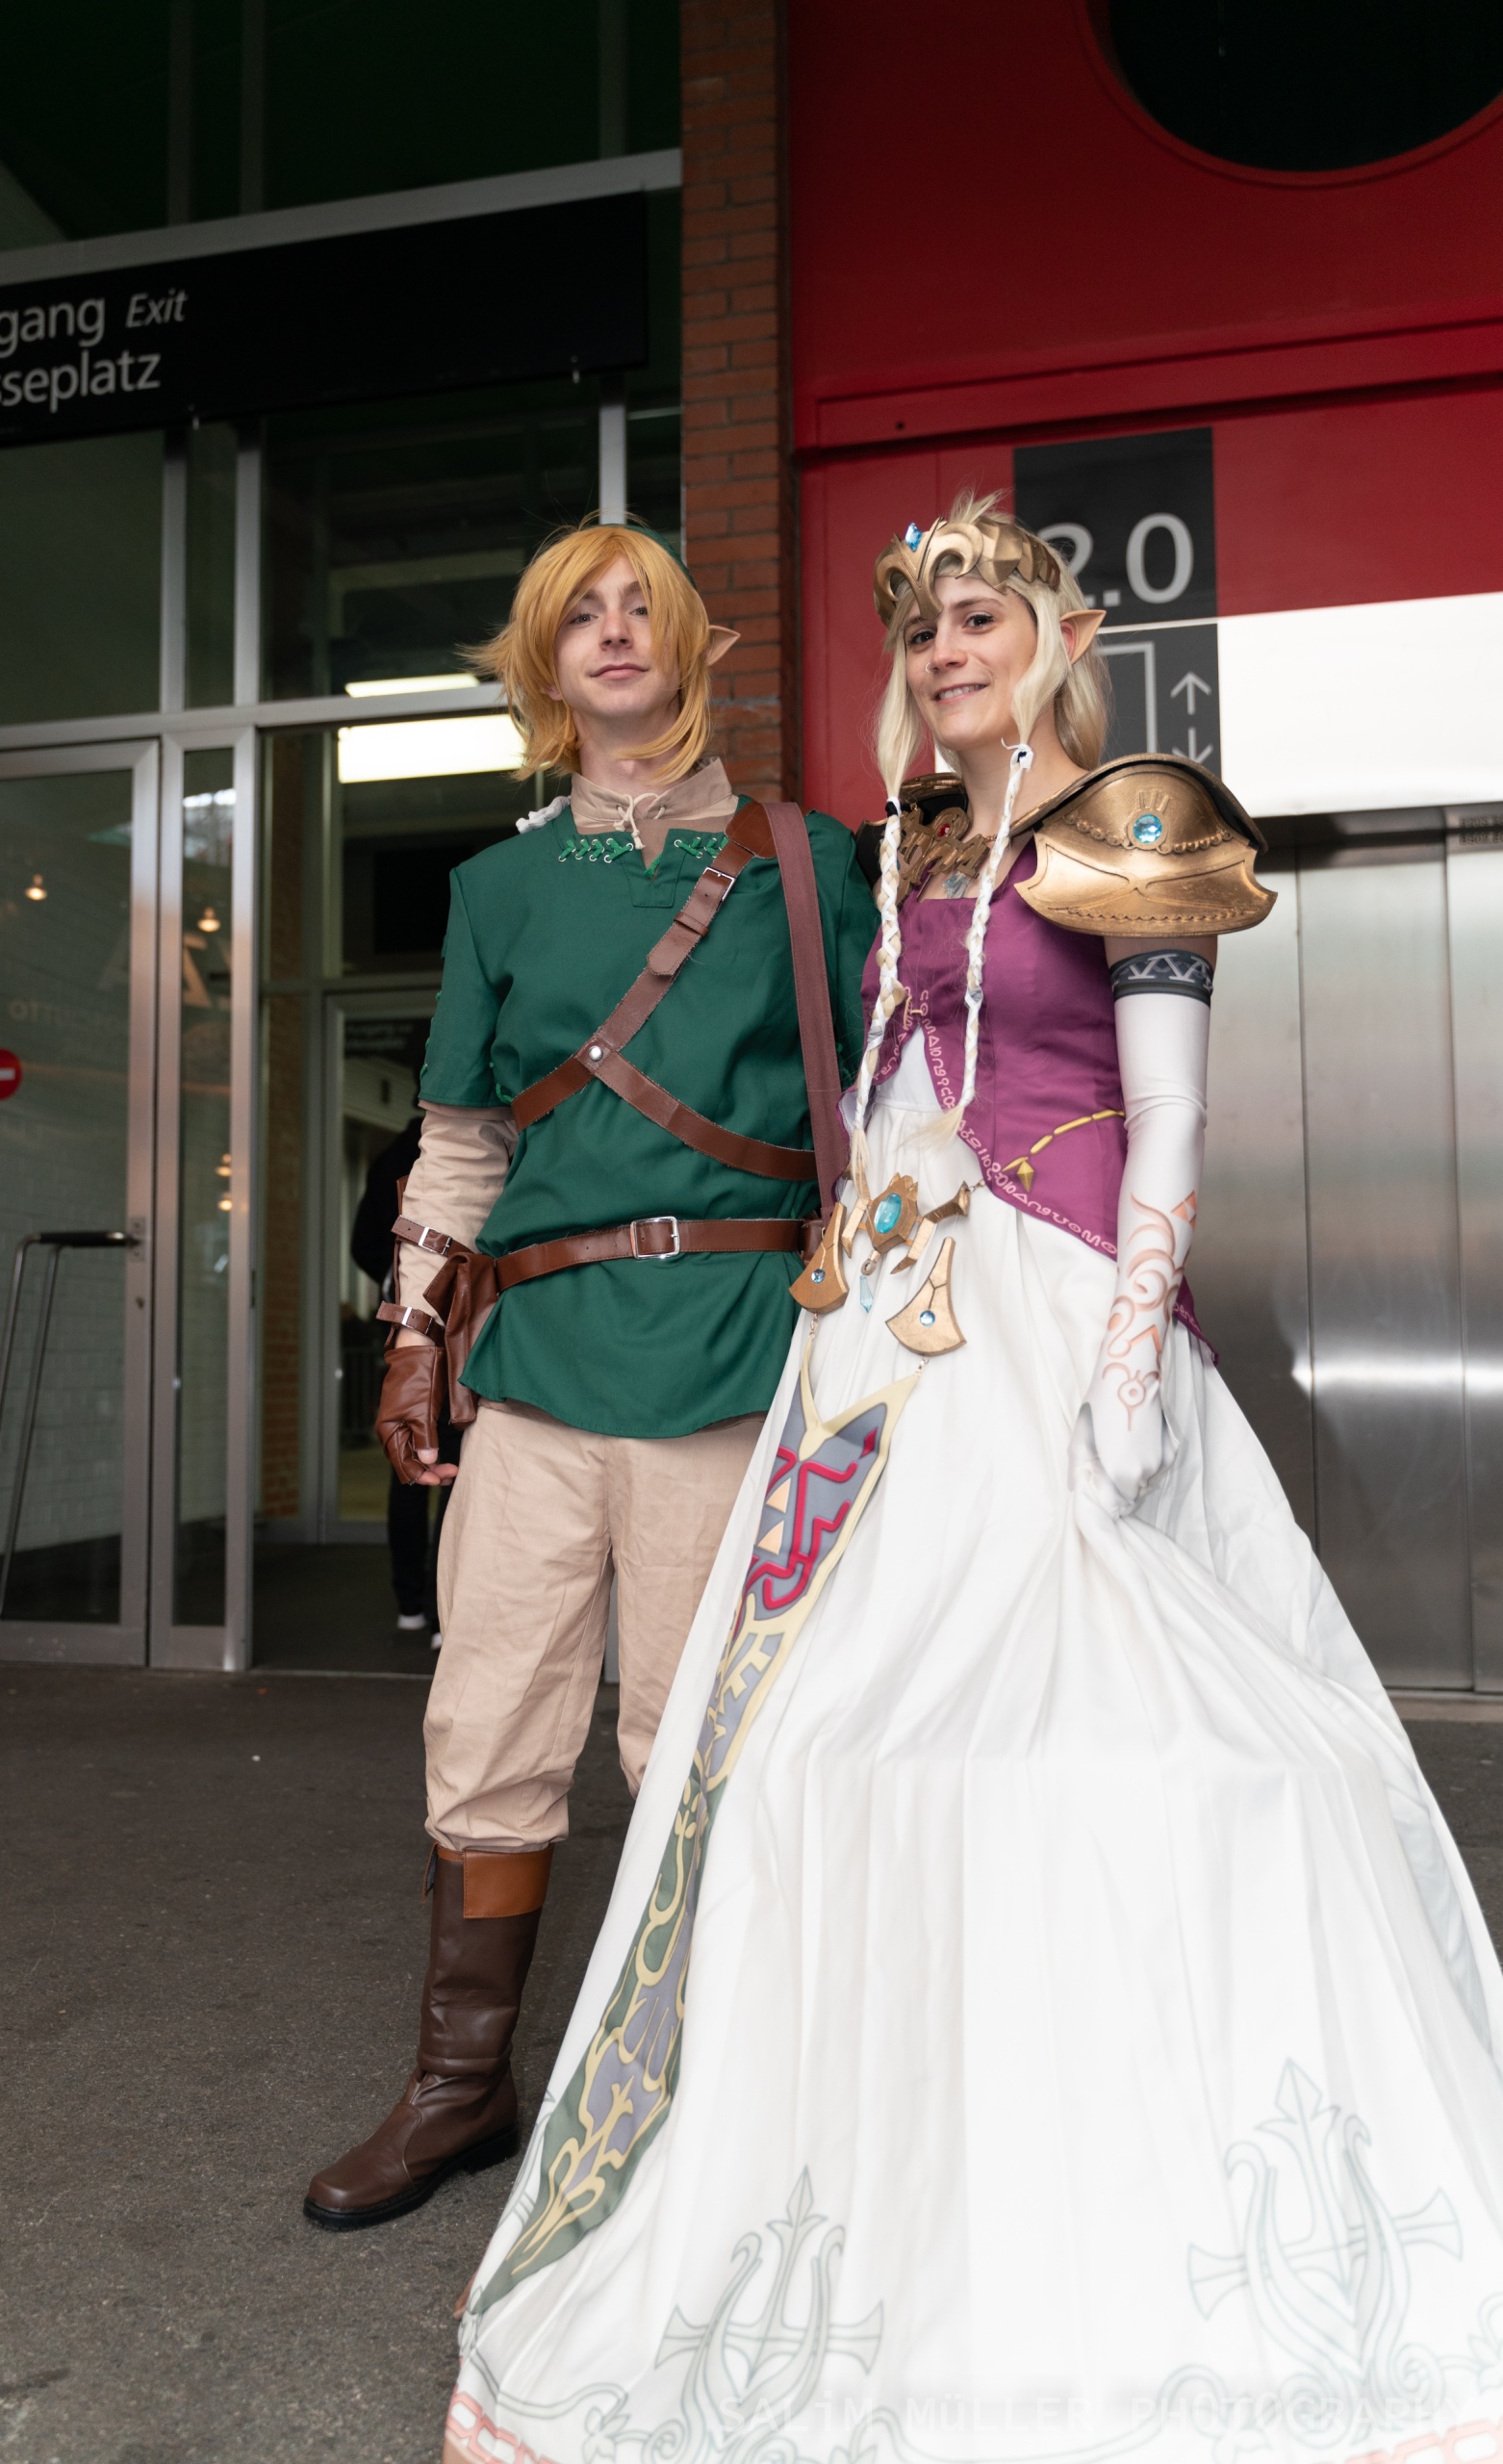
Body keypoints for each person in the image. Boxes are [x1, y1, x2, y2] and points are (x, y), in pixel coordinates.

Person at [443, 498, 1503, 2464]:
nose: (945, 649)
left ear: (1054, 635)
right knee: (821, 1749)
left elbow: (1168, 1116)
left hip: (1066, 1303)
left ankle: (1130, 2187)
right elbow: (891, 1091)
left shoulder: (1137, 813)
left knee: (1156, 1748)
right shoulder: (912, 847)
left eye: (980, 617)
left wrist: (1130, 1350)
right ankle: (870, 2167)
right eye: (922, 627)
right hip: (896, 1334)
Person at [302, 518, 878, 2232]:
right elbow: (462, 1142)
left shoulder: (812, 864)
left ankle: (707, 2097)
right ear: (546, 669)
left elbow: (888, 1112)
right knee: (487, 1719)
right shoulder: (497, 890)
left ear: (689, 646)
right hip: (536, 1366)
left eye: (642, 608)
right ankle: (459, 2088)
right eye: (579, 618)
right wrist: (414, 1333)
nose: (613, 633)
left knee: (690, 1741)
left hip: (734, 1354)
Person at [349, 1108, 459, 1639]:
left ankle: (409, 1603)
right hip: (461, 1326)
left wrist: (396, 1281)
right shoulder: (472, 1145)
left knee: (410, 1462)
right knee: (457, 1468)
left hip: (403, 1328)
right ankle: (444, 1613)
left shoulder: (388, 1160)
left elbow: (361, 1245)